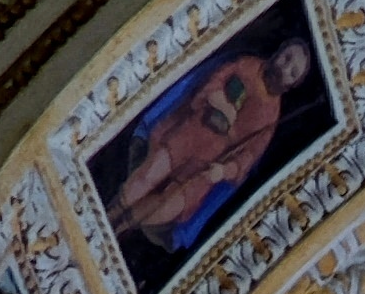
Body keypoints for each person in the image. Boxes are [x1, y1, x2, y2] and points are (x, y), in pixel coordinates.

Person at [105, 32, 315, 260]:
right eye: (286, 59)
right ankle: (108, 216)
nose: (284, 69)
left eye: (292, 72)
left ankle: (119, 231)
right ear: (278, 52)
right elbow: (215, 80)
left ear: (292, 84)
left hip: (206, 168)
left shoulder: (272, 116)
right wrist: (218, 100)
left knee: (165, 206)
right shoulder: (247, 65)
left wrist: (224, 171)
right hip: (190, 134)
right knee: (147, 177)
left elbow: (249, 156)